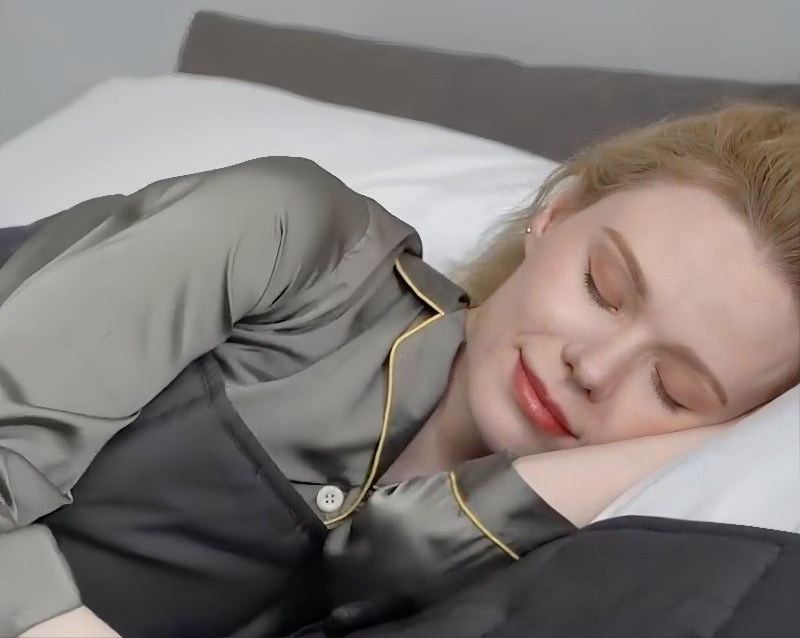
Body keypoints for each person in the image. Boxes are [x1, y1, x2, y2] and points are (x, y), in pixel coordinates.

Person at [1, 102, 798, 638]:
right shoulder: (297, 240)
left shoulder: (576, 547)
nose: (592, 367)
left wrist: (694, 448)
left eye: (675, 389)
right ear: (555, 213)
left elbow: (383, 558)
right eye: (603, 288)